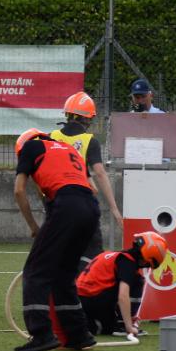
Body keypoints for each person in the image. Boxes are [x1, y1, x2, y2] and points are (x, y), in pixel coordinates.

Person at [12, 128, 99, 351]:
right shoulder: (69, 150)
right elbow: (93, 188)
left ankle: (41, 334)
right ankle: (79, 334)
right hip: (91, 209)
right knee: (64, 274)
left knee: (35, 271)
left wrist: (34, 227)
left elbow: (19, 190)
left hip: (67, 205)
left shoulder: (31, 147)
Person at [49, 91, 123, 271]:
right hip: (81, 205)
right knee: (93, 252)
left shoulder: (52, 136)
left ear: (68, 114)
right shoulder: (89, 141)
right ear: (87, 118)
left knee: (60, 252)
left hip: (56, 204)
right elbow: (100, 173)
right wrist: (114, 208)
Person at [76, 231, 167, 337]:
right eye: (148, 264)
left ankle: (96, 324)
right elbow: (123, 295)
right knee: (137, 281)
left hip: (80, 300)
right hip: (93, 298)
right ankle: (121, 325)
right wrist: (129, 327)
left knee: (100, 326)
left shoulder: (114, 256)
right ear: (146, 259)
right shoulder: (127, 262)